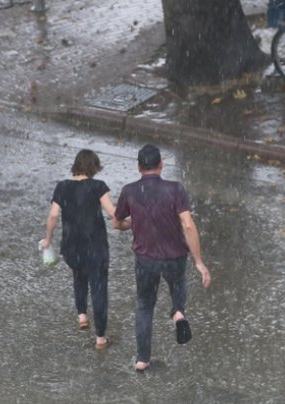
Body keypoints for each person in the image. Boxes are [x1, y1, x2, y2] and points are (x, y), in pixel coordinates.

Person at [113, 144, 211, 372]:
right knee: (178, 288)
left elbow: (117, 223)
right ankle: (178, 313)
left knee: (145, 306)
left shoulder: (129, 191)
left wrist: (133, 223)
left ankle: (142, 360)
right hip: (174, 257)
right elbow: (187, 224)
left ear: (138, 167)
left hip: (145, 259)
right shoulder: (175, 189)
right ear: (161, 164)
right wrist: (199, 262)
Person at [40, 149, 128, 351]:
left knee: (78, 275)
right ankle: (100, 338)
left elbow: (53, 216)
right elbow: (113, 213)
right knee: (98, 289)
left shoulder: (62, 187)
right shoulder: (98, 187)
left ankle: (82, 315)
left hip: (71, 246)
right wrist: (133, 220)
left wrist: (47, 239)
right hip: (95, 246)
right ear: (93, 167)